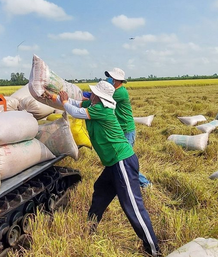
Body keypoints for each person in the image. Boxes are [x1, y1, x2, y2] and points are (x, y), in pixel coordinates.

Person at [47, 81, 161, 256]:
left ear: (99, 97)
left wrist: (63, 103)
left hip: (122, 161)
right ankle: (90, 227)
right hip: (113, 163)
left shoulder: (102, 109)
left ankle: (154, 250)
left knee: (132, 207)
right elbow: (76, 103)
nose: (90, 94)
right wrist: (54, 97)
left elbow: (75, 111)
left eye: (93, 93)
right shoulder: (94, 104)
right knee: (100, 189)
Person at [105, 67, 151, 188]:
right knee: (119, 160)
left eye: (111, 78)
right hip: (122, 130)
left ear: (117, 80)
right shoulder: (115, 91)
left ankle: (145, 184)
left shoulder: (120, 92)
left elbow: (101, 99)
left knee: (126, 161)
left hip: (126, 130)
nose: (108, 79)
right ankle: (118, 183)